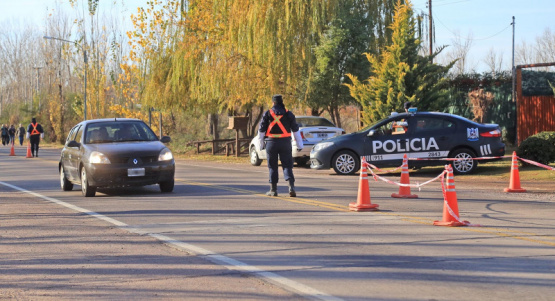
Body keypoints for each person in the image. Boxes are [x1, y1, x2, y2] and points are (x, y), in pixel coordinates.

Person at [257, 94, 303, 197]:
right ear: (282, 102)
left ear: (273, 102)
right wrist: (300, 145)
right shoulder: (289, 114)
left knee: (272, 166)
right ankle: (291, 187)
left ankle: (273, 190)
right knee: (287, 165)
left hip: (271, 143)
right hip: (285, 142)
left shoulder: (268, 114)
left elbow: (261, 131)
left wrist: (261, 144)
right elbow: (296, 130)